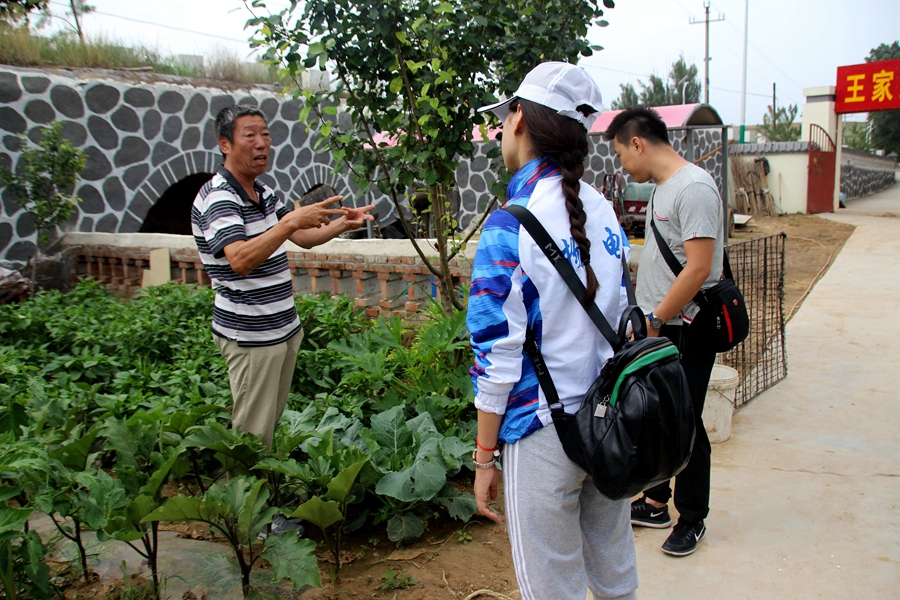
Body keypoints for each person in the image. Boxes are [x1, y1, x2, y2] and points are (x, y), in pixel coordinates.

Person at [468, 62, 638, 600]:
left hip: (542, 432)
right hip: (608, 421)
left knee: (551, 589)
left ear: (518, 118)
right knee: (615, 571)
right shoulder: (602, 208)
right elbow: (622, 310)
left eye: (505, 117)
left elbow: (496, 356)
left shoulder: (510, 223)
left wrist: (484, 457)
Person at [191, 104, 374, 449]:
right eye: (250, 135)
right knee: (251, 434)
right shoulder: (220, 197)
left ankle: (261, 480)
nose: (261, 143)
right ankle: (241, 484)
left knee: (268, 423)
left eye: (265, 134)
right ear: (225, 144)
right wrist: (289, 222)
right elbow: (240, 260)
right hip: (250, 334)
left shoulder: (262, 192)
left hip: (281, 329)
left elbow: (302, 236)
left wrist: (342, 225)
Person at [603, 106, 724, 557]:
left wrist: (655, 319)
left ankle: (692, 518)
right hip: (662, 324)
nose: (622, 166)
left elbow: (699, 268)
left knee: (685, 421)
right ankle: (656, 502)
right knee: (661, 415)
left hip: (687, 326)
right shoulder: (663, 189)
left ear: (637, 143)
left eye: (621, 154)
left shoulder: (693, 188)